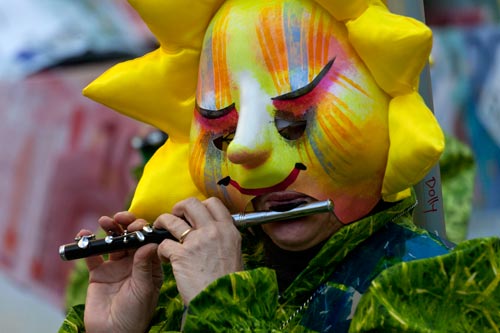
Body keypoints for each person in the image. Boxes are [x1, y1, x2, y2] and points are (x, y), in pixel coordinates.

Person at [59, 0, 500, 332]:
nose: (244, 151)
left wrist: (225, 304)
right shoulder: (178, 282)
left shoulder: (432, 285)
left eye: (293, 124)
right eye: (222, 133)